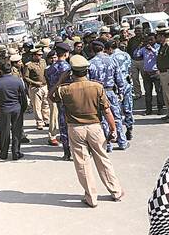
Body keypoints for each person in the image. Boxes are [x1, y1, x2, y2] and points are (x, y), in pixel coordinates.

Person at [51, 54, 124, 208]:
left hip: (75, 128)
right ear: (86, 70)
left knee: (82, 163)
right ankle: (116, 191)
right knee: (103, 159)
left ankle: (91, 197)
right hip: (95, 127)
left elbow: (51, 96)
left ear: (72, 71)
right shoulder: (97, 87)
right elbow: (107, 111)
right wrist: (113, 128)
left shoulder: (64, 90)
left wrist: (60, 80)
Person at [87, 40, 128, 151]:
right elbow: (119, 78)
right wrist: (121, 91)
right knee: (117, 117)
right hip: (110, 92)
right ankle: (122, 142)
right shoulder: (112, 60)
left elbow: (87, 81)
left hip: (97, 93)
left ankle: (108, 144)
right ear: (103, 48)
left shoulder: (90, 63)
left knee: (103, 119)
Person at [0, 60, 28, 160]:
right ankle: (16, 152)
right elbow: (24, 97)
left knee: (4, 132)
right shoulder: (18, 80)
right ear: (11, 69)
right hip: (16, 108)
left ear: (1, 70)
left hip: (4, 109)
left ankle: (3, 153)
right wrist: (23, 109)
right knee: (17, 131)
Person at [46, 42, 73, 160]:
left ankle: (66, 152)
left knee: (62, 125)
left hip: (58, 99)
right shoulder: (68, 67)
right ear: (66, 54)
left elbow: (49, 85)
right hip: (70, 100)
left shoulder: (49, 69)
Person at [109, 38, 134, 140]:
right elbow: (130, 68)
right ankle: (129, 128)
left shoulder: (110, 58)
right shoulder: (126, 55)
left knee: (116, 110)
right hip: (127, 83)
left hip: (116, 86)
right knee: (128, 108)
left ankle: (119, 134)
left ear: (110, 48)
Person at [134, 33, 164, 116]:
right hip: (147, 73)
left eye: (151, 39)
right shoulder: (144, 49)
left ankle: (160, 108)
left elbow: (159, 56)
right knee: (148, 92)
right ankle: (148, 109)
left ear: (155, 39)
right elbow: (136, 55)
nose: (150, 42)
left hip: (156, 72)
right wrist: (139, 47)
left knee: (159, 91)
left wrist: (152, 49)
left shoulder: (158, 47)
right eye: (148, 40)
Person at [23, 49, 50, 132]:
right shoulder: (29, 65)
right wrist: (35, 82)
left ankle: (46, 120)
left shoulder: (43, 62)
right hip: (35, 88)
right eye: (38, 55)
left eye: (41, 55)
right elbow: (26, 77)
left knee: (46, 104)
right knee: (37, 106)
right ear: (34, 55)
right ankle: (39, 122)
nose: (40, 56)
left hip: (44, 86)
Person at [127, 27, 144, 99]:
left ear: (142, 31)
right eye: (136, 31)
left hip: (143, 60)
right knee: (135, 78)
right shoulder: (131, 40)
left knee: (145, 77)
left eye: (139, 31)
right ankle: (138, 93)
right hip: (134, 60)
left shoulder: (145, 39)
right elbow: (129, 49)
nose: (137, 32)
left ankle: (147, 92)